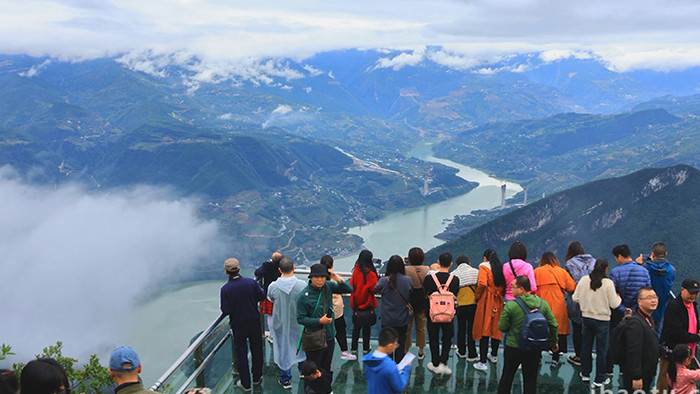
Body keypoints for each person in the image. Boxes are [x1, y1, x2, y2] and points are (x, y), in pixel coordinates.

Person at [497, 275, 558, 394]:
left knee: (507, 378)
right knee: (530, 380)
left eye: (513, 287)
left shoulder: (511, 305)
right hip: (534, 348)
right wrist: (553, 341)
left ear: (521, 289)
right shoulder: (542, 304)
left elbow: (502, 327)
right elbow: (554, 324)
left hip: (513, 347)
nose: (511, 289)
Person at [297, 263, 353, 380]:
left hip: (329, 336)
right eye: (316, 277)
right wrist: (319, 321)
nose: (320, 280)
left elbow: (349, 289)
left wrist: (336, 277)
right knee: (313, 370)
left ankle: (326, 389)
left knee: (326, 369)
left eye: (322, 276)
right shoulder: (304, 296)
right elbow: (300, 318)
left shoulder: (328, 286)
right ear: (311, 278)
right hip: (314, 338)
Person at [572, 258, 621, 388]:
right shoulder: (608, 283)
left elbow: (575, 298)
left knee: (586, 347)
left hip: (586, 319)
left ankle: (585, 373)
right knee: (601, 350)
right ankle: (600, 379)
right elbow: (614, 304)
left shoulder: (584, 280)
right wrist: (619, 296)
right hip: (603, 321)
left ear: (593, 267)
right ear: (606, 269)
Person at [219, 257, 265, 392]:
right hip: (254, 321)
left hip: (238, 324)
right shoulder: (251, 283)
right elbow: (261, 296)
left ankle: (246, 384)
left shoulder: (225, 289)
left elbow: (226, 310)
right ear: (239, 269)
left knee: (241, 353)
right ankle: (257, 378)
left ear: (226, 272)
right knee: (257, 350)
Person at [608, 244, 651, 374]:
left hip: (619, 313)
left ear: (619, 256)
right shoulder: (644, 271)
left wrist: (624, 309)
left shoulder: (615, 273)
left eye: (616, 257)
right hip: (638, 314)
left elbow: (612, 295)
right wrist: (637, 309)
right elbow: (648, 292)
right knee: (633, 341)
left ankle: (609, 369)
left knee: (614, 339)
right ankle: (626, 369)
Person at [267, 257, 308, 389]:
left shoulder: (273, 286)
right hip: (298, 321)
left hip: (280, 322)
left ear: (279, 270)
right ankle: (303, 371)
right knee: (301, 345)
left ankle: (285, 379)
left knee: (283, 348)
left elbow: (271, 299)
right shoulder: (302, 285)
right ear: (294, 268)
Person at [656, 278, 700, 393]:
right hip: (671, 355)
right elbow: (675, 333)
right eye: (691, 292)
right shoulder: (674, 306)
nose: (694, 296)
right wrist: (697, 337)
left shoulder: (693, 306)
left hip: (688, 355)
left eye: (696, 293)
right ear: (682, 290)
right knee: (665, 386)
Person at [533, 251, 575, 367]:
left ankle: (538, 358)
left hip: (541, 305)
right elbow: (571, 287)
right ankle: (555, 360)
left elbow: (531, 288)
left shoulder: (537, 272)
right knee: (557, 331)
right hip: (558, 306)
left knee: (539, 331)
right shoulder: (561, 272)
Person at [423, 251, 460, 375]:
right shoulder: (455, 280)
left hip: (432, 313)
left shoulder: (429, 278)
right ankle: (443, 363)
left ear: (438, 263)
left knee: (433, 337)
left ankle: (434, 363)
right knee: (447, 338)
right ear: (451, 264)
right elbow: (456, 294)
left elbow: (425, 292)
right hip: (449, 313)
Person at [621, 287, 661, 394]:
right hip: (638, 375)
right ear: (639, 301)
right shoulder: (635, 323)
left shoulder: (648, 318)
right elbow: (633, 350)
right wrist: (636, 376)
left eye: (655, 297)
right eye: (649, 298)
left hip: (647, 372)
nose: (653, 300)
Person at [563, 241, 596, 366]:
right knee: (589, 328)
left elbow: (569, 284)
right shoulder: (594, 261)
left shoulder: (569, 264)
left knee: (577, 328)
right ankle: (587, 354)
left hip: (576, 299)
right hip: (592, 298)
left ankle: (578, 356)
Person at [472, 249, 506, 371]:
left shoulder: (483, 267)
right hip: (498, 300)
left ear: (485, 258)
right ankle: (494, 355)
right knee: (495, 328)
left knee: (484, 329)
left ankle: (482, 362)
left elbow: (482, 283)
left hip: (487, 300)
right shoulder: (500, 268)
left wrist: (477, 296)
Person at [375, 255, 413, 362]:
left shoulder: (384, 281)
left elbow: (375, 289)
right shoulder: (408, 280)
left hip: (387, 319)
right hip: (402, 319)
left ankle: (388, 367)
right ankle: (398, 367)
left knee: (387, 345)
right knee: (400, 344)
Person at [320, 255, 356, 361]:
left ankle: (322, 353)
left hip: (323, 312)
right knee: (340, 330)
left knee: (324, 332)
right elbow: (348, 289)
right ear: (332, 265)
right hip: (337, 311)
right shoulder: (334, 280)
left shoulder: (318, 279)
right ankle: (345, 352)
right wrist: (337, 277)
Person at [636, 242, 675, 333]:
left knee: (644, 332)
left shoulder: (645, 268)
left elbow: (640, 280)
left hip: (646, 306)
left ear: (652, 254)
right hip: (661, 306)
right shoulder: (671, 270)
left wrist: (638, 265)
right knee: (657, 333)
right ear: (666, 254)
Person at [362, 327, 413, 394]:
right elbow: (399, 387)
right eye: (395, 345)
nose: (395, 347)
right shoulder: (390, 366)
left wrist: (394, 368)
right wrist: (406, 369)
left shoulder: (369, 360)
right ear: (390, 346)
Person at [350, 250, 378, 355]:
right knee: (367, 328)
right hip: (367, 304)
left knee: (356, 328)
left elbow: (352, 284)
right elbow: (375, 289)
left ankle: (354, 348)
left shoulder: (356, 271)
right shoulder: (370, 273)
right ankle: (366, 347)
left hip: (356, 304)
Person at [452, 254, 479, 361]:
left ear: (457, 264)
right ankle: (472, 354)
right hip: (473, 305)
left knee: (461, 328)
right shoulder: (476, 272)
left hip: (460, 306)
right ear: (469, 263)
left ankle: (461, 351)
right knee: (471, 329)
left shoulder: (453, 274)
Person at [404, 247, 429, 359]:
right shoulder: (427, 269)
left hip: (409, 301)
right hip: (422, 302)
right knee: (421, 327)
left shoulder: (406, 270)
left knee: (407, 327)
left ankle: (406, 349)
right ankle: (421, 350)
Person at [255, 251, 284, 341]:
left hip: (269, 295)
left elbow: (257, 272)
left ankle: (272, 335)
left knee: (270, 316)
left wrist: (268, 263)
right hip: (282, 293)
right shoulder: (283, 265)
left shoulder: (267, 266)